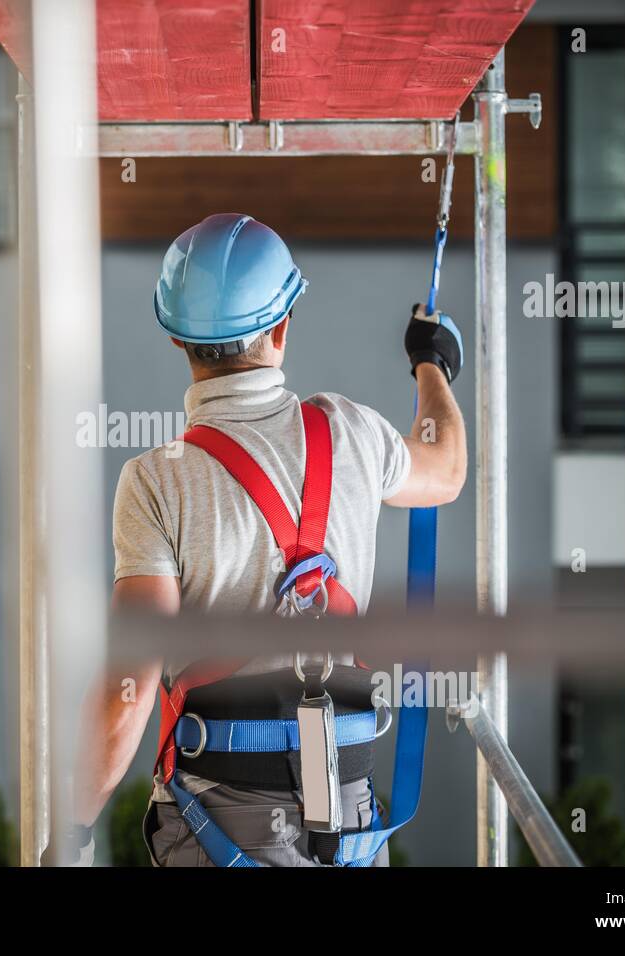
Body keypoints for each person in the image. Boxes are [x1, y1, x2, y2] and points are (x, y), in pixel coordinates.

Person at [75, 212, 467, 866]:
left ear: (177, 340)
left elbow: (129, 689)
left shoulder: (154, 482)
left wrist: (73, 824)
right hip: (346, 815)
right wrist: (432, 364)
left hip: (213, 822)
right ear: (281, 328)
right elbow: (446, 468)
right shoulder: (352, 434)